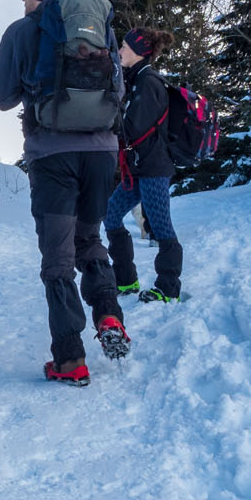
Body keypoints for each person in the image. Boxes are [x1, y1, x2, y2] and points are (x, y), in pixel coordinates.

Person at [0, 0, 129, 387]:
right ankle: (109, 315)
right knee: (89, 238)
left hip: (53, 158)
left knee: (58, 260)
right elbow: (117, 84)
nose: (23, 0)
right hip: (102, 154)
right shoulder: (97, 26)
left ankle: (70, 359)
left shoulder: (23, 31)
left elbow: (0, 96)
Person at [106, 27, 184, 303]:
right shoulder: (136, 79)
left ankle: (168, 288)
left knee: (161, 227)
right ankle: (126, 280)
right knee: (111, 215)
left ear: (139, 52)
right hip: (140, 168)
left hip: (154, 168)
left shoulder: (148, 81)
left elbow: (133, 127)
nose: (119, 51)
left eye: (124, 46)